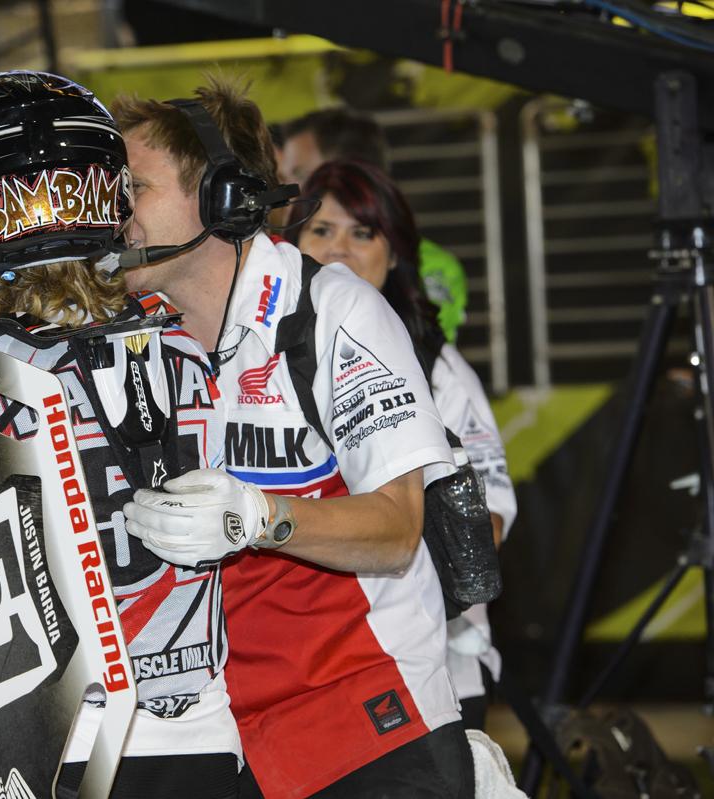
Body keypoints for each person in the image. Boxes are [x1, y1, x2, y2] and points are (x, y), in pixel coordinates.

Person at [111, 82, 473, 797]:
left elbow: (400, 529)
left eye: (135, 189)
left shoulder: (333, 312)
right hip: (230, 742)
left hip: (370, 726)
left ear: (222, 198)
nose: (114, 216)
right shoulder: (136, 341)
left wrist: (257, 517)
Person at [292, 158, 516, 730]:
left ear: (394, 255)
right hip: (305, 672)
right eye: (321, 230)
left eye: (362, 232)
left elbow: (488, 523)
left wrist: (395, 531)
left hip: (431, 670)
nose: (339, 248)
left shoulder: (440, 369)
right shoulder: (254, 356)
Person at [279, 108, 469, 343]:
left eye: (298, 174)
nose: (285, 191)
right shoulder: (273, 259)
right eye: (322, 231)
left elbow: (429, 351)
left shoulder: (435, 268)